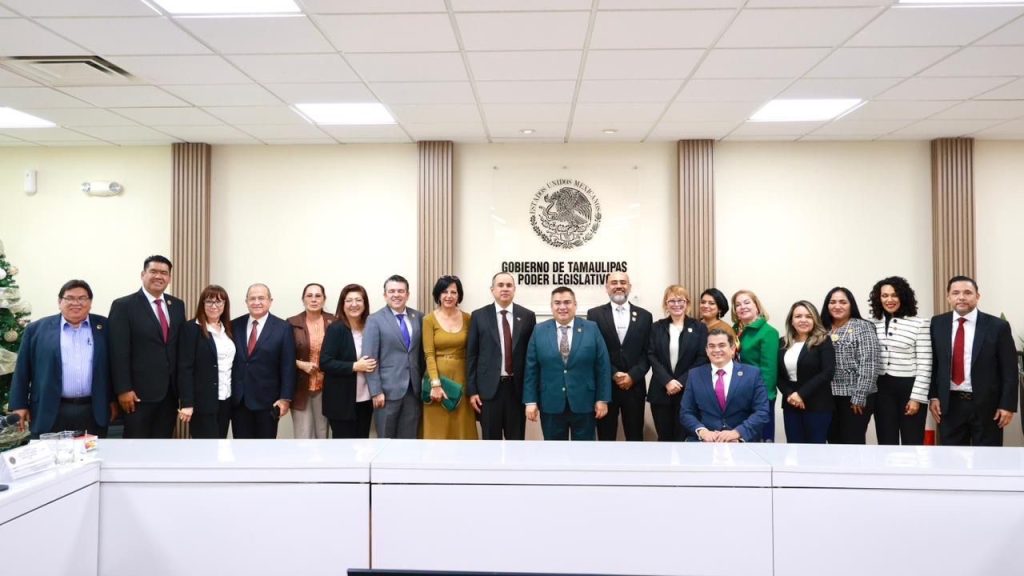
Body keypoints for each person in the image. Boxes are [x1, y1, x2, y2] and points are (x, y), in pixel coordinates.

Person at [10, 279, 113, 438]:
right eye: (69, 298)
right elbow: (22, 370)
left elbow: (115, 366)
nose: (76, 303)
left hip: (93, 410)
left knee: (92, 452)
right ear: (59, 302)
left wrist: (114, 400)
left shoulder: (105, 327)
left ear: (90, 303)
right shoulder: (36, 330)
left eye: (82, 298)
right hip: (49, 409)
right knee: (49, 453)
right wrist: (19, 405)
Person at [929, 275, 1018, 446]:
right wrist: (933, 396)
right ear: (948, 297)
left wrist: (1007, 405)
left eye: (967, 293)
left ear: (977, 296)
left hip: (987, 406)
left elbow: (1009, 370)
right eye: (955, 293)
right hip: (949, 405)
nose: (961, 297)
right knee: (952, 457)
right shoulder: (937, 323)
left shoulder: (997, 326)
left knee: (988, 458)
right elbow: (934, 364)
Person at [109, 255, 186, 438]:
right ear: (143, 274)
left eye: (164, 273)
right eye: (153, 271)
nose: (159, 276)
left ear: (169, 278)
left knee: (162, 445)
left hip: (169, 394)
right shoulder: (123, 306)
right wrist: (123, 389)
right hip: (137, 395)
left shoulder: (177, 305)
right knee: (136, 446)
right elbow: (117, 351)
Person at [523, 286, 611, 441]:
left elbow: (602, 366)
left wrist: (602, 399)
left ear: (575, 305)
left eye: (567, 302)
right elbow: (531, 369)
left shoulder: (591, 328)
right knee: (554, 452)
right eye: (557, 303)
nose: (562, 307)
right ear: (551, 306)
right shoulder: (539, 330)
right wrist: (530, 401)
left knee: (584, 451)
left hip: (585, 403)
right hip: (550, 403)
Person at [466, 272, 537, 440]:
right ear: (492, 290)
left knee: (516, 441)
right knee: (491, 442)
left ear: (514, 289)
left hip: (517, 390)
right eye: (500, 285)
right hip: (488, 391)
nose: (505, 289)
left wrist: (531, 395)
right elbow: (472, 355)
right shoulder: (478, 316)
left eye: (509, 285)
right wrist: (472, 390)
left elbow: (531, 358)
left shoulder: (527, 316)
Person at [586, 271, 653, 441]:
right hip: (606, 386)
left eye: (623, 282)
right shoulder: (594, 315)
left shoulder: (645, 316)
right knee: (605, 437)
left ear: (629, 286)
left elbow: (648, 352)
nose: (618, 286)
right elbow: (594, 351)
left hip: (634, 386)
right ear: (607, 287)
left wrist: (632, 375)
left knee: (635, 437)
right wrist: (614, 373)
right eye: (614, 282)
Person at [869, 276, 931, 445]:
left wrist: (916, 398)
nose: (889, 300)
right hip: (881, 390)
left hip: (909, 388)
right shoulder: (871, 323)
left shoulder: (920, 324)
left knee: (912, 441)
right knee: (886, 441)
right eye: (884, 295)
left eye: (894, 295)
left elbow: (925, 364)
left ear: (903, 296)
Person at [230, 284, 295, 439]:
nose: (256, 302)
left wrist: (285, 399)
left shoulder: (283, 328)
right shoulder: (234, 325)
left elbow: (288, 366)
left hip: (268, 402)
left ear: (270, 301)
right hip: (239, 401)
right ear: (246, 301)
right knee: (240, 447)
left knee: (266, 449)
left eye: (261, 298)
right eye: (252, 298)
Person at [681, 328, 770, 442]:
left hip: (741, 442)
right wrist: (702, 432)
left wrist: (737, 433)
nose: (716, 350)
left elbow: (762, 411)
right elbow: (686, 412)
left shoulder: (752, 374)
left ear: (732, 349)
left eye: (722, 345)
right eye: (712, 346)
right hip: (705, 442)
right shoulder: (695, 375)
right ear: (707, 351)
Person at [363, 274, 423, 439]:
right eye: (392, 291)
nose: (396, 295)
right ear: (385, 295)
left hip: (413, 390)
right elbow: (369, 359)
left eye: (400, 291)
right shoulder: (375, 320)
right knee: (386, 438)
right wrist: (376, 391)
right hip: (386, 391)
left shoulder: (418, 317)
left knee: (409, 439)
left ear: (407, 294)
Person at [647, 285, 708, 441]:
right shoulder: (656, 327)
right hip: (661, 390)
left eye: (680, 300)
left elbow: (702, 358)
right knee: (664, 438)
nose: (676, 304)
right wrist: (667, 381)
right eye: (672, 301)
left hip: (687, 391)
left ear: (687, 303)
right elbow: (651, 355)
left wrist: (680, 382)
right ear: (666, 304)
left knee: (683, 438)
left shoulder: (699, 328)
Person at [821, 286, 880, 444]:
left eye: (843, 302)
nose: (837, 306)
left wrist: (859, 396)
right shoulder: (822, 328)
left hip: (854, 397)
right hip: (827, 396)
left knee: (852, 442)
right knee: (832, 441)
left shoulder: (863, 327)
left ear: (851, 305)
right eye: (832, 302)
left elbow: (869, 363)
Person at [177, 285, 237, 439]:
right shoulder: (191, 328)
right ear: (202, 304)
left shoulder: (228, 329)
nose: (214, 306)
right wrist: (187, 403)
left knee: (220, 443)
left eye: (219, 302)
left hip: (226, 399)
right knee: (205, 448)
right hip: (202, 402)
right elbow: (185, 368)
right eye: (209, 301)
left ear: (225, 305)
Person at [421, 275, 477, 439]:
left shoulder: (468, 318)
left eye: (453, 292)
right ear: (438, 295)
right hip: (437, 379)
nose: (449, 296)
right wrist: (435, 384)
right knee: (437, 429)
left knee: (461, 427)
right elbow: (429, 354)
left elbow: (473, 351)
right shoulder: (428, 320)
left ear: (459, 295)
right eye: (444, 292)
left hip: (462, 379)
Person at [320, 284, 377, 438]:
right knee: (344, 447)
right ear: (342, 304)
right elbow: (325, 362)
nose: (354, 304)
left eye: (358, 300)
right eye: (349, 300)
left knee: (362, 444)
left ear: (365, 304)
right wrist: (354, 366)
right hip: (341, 401)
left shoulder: (371, 327)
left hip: (366, 398)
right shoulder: (336, 328)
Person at [777, 301, 835, 444]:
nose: (803, 320)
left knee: (815, 450)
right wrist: (791, 395)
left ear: (815, 320)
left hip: (818, 404)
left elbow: (828, 372)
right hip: (791, 404)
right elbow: (777, 375)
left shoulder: (823, 341)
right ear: (791, 320)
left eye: (808, 316)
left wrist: (801, 394)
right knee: (793, 447)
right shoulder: (782, 343)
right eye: (798, 316)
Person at [287, 283, 335, 439]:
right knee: (303, 435)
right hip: (301, 386)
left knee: (323, 433)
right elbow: (282, 355)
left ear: (324, 299)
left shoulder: (335, 321)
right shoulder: (292, 323)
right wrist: (300, 364)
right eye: (309, 296)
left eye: (318, 296)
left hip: (327, 386)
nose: (314, 299)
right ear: (303, 299)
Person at [732, 289, 779, 442]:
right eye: (738, 304)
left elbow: (769, 370)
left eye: (747, 302)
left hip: (759, 395)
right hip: (737, 393)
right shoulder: (734, 330)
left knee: (760, 440)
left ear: (757, 306)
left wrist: (764, 398)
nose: (742, 307)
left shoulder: (768, 332)